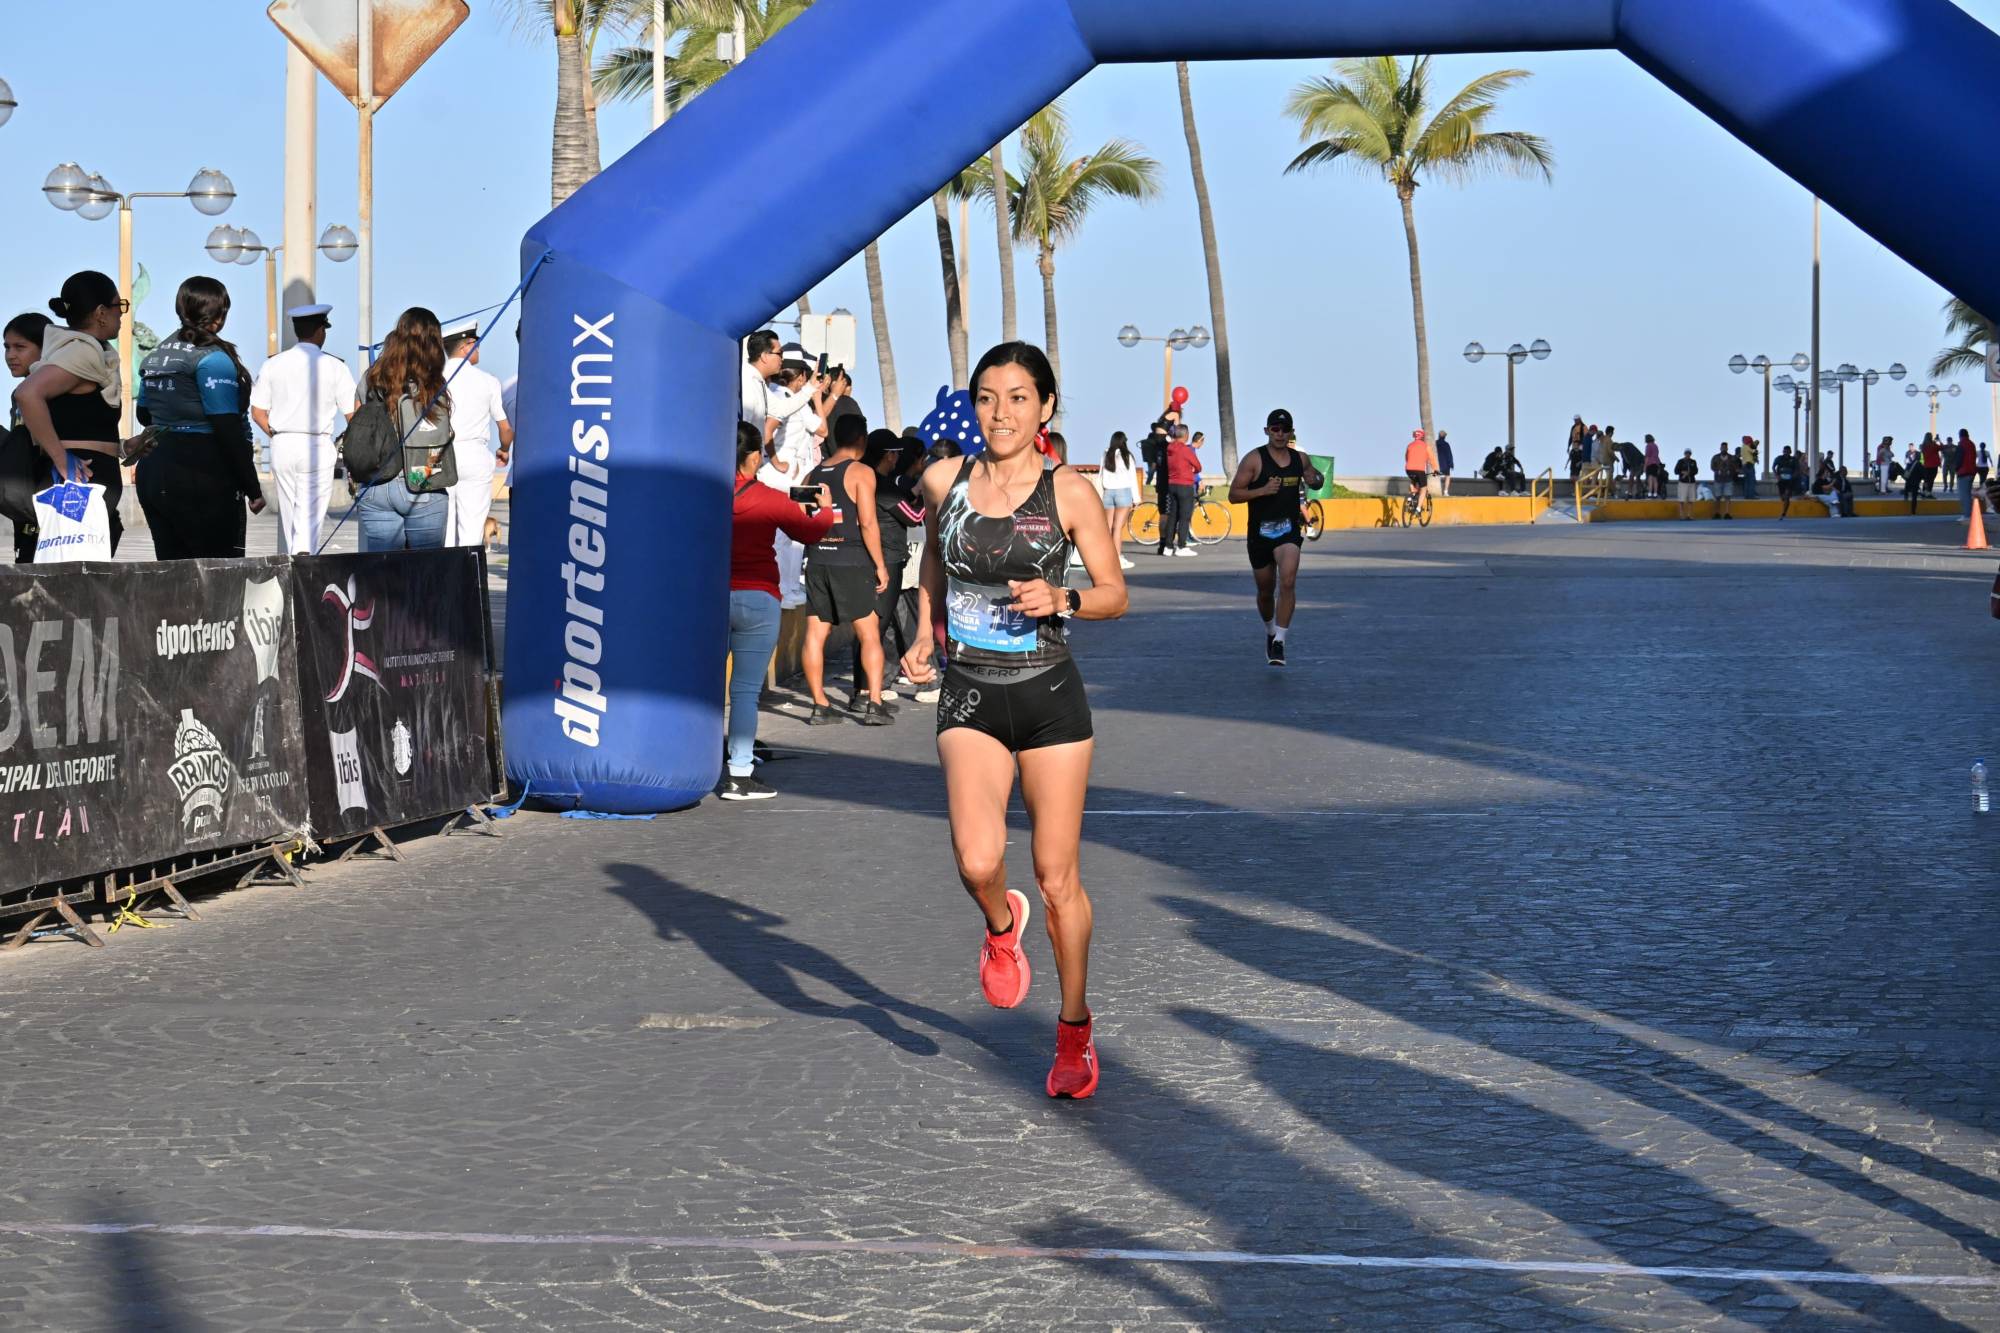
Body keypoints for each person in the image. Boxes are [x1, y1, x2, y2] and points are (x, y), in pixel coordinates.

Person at [899, 341, 1127, 1100]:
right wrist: (924, 627)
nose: (1002, 412)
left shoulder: (1069, 493)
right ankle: (1002, 925)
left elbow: (1113, 592)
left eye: (1020, 397)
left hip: (1049, 697)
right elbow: (934, 556)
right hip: (969, 690)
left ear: (1046, 408)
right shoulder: (945, 479)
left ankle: (1073, 1030)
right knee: (975, 859)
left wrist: (1063, 599)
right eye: (989, 397)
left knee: (1059, 878)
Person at [726, 421, 838, 799]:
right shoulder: (770, 498)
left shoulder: (707, 496)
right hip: (758, 599)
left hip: (711, 599)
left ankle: (700, 760)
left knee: (707, 690)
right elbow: (812, 531)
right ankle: (739, 773)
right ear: (755, 457)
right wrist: (824, 508)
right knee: (744, 692)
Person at [134, 276, 265, 559]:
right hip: (203, 473)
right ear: (219, 316)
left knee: (172, 572)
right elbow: (226, 425)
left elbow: (143, 413)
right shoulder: (213, 358)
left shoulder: (156, 356)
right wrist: (252, 487)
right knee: (219, 574)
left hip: (156, 471)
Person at [11, 271, 128, 557]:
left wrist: (125, 447)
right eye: (118, 306)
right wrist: (61, 459)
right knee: (72, 581)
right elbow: (27, 394)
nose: (122, 315)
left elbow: (78, 422)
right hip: (77, 485)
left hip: (84, 480)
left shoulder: (86, 352)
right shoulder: (80, 352)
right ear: (101, 313)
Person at [801, 412, 892, 726]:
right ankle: (874, 703)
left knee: (815, 636)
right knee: (869, 634)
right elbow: (867, 522)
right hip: (851, 561)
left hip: (817, 560)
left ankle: (819, 705)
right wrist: (880, 565)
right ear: (862, 440)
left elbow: (802, 516)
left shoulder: (812, 475)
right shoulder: (860, 472)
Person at [248, 303, 358, 555]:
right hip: (317, 443)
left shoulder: (273, 365)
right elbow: (354, 415)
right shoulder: (336, 367)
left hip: (283, 443)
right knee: (310, 519)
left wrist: (277, 434)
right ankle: (304, 567)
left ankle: (295, 562)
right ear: (321, 331)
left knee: (290, 515)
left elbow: (258, 413)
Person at [1228, 407, 1323, 666]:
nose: (1280, 434)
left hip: (1288, 531)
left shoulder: (1299, 459)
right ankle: (1270, 630)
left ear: (1292, 432)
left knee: (1288, 581)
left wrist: (1315, 479)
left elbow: (1314, 479)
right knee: (1265, 591)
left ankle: (1280, 640)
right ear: (1267, 431)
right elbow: (1234, 495)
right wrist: (1262, 490)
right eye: (1275, 429)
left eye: (1285, 429)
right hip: (1259, 533)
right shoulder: (1254, 460)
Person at [354, 307, 454, 552]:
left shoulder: (371, 377)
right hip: (421, 484)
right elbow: (441, 432)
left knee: (383, 575)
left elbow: (357, 422)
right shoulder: (432, 383)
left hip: (376, 485)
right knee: (425, 574)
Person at [847, 428, 925, 709]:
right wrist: (932, 497)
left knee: (867, 628)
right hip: (887, 561)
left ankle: (862, 690)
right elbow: (914, 517)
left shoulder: (861, 478)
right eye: (895, 454)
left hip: (859, 558)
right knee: (875, 629)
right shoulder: (881, 485)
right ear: (889, 456)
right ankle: (868, 694)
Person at [435, 318, 513, 547]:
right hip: (474, 454)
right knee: (472, 530)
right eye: (476, 344)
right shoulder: (488, 381)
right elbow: (505, 428)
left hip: (440, 455)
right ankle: (469, 581)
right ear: (465, 346)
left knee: (444, 529)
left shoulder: (434, 380)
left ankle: (445, 581)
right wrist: (504, 449)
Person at [3, 312, 53, 561]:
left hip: (49, 507)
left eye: (20, 347)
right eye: (6, 347)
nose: (10, 355)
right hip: (26, 506)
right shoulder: (19, 392)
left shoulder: (53, 390)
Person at [1099, 430, 1139, 570]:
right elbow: (1132, 478)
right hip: (1124, 492)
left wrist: (1101, 493)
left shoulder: (1106, 454)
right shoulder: (1128, 456)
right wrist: (1136, 499)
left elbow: (1101, 475)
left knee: (1107, 529)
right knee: (1117, 529)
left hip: (1108, 493)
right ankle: (1117, 558)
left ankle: (1105, 558)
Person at [1160, 423, 1199, 557]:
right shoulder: (1185, 450)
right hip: (1185, 485)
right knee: (1184, 516)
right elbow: (1198, 466)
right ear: (1186, 435)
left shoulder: (1169, 448)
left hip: (1172, 485)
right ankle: (1181, 546)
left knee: (1173, 516)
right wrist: (1194, 469)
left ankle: (1168, 547)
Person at [1403, 428, 1436, 510]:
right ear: (1422, 437)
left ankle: (1411, 496)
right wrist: (1435, 469)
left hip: (1408, 469)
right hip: (1420, 470)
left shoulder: (1409, 445)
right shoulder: (1426, 446)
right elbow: (1432, 459)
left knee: (1413, 480)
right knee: (1423, 488)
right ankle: (1418, 508)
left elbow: (1406, 458)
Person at [1956, 427, 1980, 521]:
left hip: (1963, 472)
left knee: (1964, 495)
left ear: (1960, 436)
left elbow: (1959, 459)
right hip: (1971, 472)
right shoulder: (1971, 444)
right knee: (1968, 494)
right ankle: (1969, 514)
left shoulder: (1961, 444)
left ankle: (1967, 516)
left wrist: (1956, 468)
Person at [1709, 441, 1736, 519]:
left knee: (1728, 497)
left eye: (1725, 448)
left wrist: (1730, 471)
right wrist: (1717, 471)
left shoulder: (1731, 457)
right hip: (1718, 480)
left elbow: (1735, 467)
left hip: (1728, 480)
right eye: (1722, 447)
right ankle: (1717, 513)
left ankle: (1727, 513)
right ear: (1720, 448)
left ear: (1727, 448)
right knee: (1717, 497)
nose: (1724, 449)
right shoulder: (1715, 457)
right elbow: (1712, 466)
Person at [1774, 444, 1802, 519]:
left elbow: (1797, 469)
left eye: (1788, 451)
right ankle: (1784, 502)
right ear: (1783, 451)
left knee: (1787, 496)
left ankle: (1784, 513)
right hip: (1781, 480)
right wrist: (1777, 475)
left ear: (1790, 452)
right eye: (1785, 451)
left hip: (1790, 480)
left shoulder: (1794, 460)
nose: (1786, 453)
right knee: (1783, 497)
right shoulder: (1779, 458)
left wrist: (1794, 476)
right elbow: (1773, 466)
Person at [1673, 447, 1699, 519]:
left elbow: (1696, 471)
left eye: (1689, 453)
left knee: (1691, 499)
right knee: (1681, 499)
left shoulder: (1693, 462)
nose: (1688, 454)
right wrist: (1682, 472)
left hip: (1691, 482)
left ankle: (1689, 515)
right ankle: (1682, 515)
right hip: (1683, 482)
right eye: (1686, 453)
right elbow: (1676, 471)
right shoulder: (1680, 461)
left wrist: (1689, 473)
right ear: (1684, 454)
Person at [1920, 432, 1941, 496]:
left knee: (1926, 479)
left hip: (1926, 465)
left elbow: (1922, 455)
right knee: (1931, 479)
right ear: (1931, 437)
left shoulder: (1923, 446)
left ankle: (1924, 491)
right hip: (1934, 465)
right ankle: (1928, 492)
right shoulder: (1934, 445)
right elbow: (1941, 447)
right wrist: (1938, 440)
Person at [1645, 435, 1666, 499]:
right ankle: (1655, 493)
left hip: (1650, 464)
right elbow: (1657, 456)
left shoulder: (1648, 446)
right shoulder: (1655, 446)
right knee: (1655, 479)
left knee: (1650, 479)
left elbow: (1647, 456)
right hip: (1656, 464)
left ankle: (1649, 493)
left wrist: (1645, 466)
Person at [1435, 430, 1454, 495]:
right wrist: (1451, 464)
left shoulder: (1435, 443)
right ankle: (1445, 491)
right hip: (1445, 464)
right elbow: (1449, 455)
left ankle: (1436, 489)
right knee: (1447, 476)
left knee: (1436, 476)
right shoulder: (1446, 444)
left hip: (1436, 463)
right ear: (1445, 437)